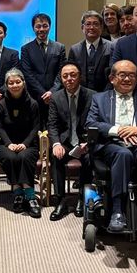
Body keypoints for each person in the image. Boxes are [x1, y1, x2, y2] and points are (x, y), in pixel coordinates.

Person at [86, 60, 137, 235]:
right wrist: (119, 131)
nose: (127, 79)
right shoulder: (99, 99)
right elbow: (91, 123)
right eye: (122, 75)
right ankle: (117, 211)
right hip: (112, 145)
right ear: (112, 78)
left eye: (132, 75)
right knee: (122, 154)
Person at [48, 62, 95, 221]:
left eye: (73, 75)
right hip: (66, 142)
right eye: (65, 76)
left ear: (80, 76)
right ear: (61, 79)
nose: (69, 79)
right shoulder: (56, 97)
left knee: (89, 159)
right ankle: (60, 200)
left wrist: (88, 142)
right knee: (56, 156)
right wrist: (56, 144)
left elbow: (96, 123)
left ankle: (82, 198)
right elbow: (52, 125)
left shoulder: (93, 96)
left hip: (84, 143)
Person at [0, 68, 40, 217]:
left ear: (24, 83)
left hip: (29, 144)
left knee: (24, 157)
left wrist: (25, 144)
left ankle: (29, 194)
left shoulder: (33, 103)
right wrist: (9, 144)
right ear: (6, 85)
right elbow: (0, 127)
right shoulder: (1, 104)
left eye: (18, 82)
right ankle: (18, 191)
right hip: (7, 144)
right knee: (11, 157)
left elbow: (35, 127)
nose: (15, 85)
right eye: (11, 83)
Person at [20, 12, 65, 128]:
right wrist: (43, 93)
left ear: (50, 27)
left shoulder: (59, 47)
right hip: (34, 96)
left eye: (45, 26)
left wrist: (52, 92)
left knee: (54, 128)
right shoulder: (26, 49)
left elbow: (61, 72)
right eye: (38, 26)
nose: (41, 29)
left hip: (55, 96)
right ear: (33, 28)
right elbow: (27, 73)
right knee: (35, 128)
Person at [68, 10, 114, 91]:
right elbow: (72, 73)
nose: (91, 28)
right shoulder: (74, 49)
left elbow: (113, 73)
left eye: (95, 24)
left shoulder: (111, 47)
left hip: (104, 93)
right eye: (88, 24)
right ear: (82, 28)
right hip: (82, 94)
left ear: (101, 27)